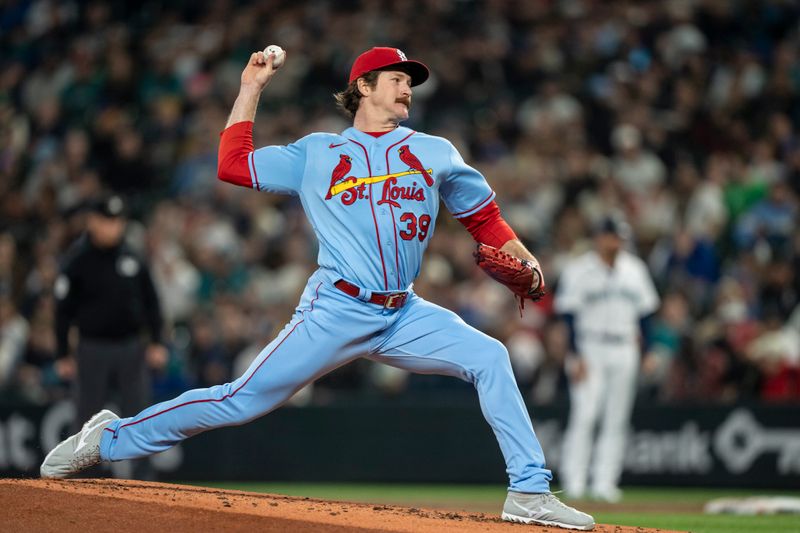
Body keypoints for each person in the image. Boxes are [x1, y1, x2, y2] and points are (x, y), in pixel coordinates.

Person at [41, 47, 593, 530]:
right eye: (397, 77)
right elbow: (232, 165)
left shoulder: (435, 151)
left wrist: (531, 265)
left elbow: (486, 221)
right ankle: (108, 439)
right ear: (363, 88)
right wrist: (250, 88)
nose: (408, 87)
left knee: (491, 356)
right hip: (335, 308)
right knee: (239, 401)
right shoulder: (316, 154)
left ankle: (529, 492)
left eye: (410, 80)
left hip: (404, 313)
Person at [52, 193, 168, 476]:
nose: (112, 227)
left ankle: (144, 478)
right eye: (106, 221)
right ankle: (82, 477)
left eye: (117, 221)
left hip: (130, 347)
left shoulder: (132, 257)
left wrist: (156, 342)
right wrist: (62, 354)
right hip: (92, 348)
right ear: (92, 222)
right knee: (86, 416)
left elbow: (152, 303)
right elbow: (62, 310)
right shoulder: (77, 261)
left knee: (139, 414)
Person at [554, 216, 660, 502]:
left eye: (619, 237)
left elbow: (646, 315)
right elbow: (568, 315)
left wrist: (648, 351)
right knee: (585, 415)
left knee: (617, 418)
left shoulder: (635, 269)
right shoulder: (578, 269)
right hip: (590, 346)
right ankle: (574, 481)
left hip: (625, 346)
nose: (615, 241)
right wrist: (574, 355)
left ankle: (605, 482)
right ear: (599, 238)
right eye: (611, 236)